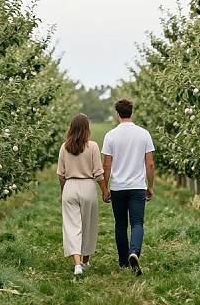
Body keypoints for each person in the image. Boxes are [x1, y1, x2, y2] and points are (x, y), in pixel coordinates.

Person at [101, 98, 155, 276]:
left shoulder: (110, 135)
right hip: (138, 186)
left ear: (117, 115)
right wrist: (151, 186)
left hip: (118, 187)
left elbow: (107, 165)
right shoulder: (144, 134)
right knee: (137, 222)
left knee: (121, 224)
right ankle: (134, 252)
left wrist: (105, 188)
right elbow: (150, 164)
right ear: (132, 112)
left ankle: (123, 261)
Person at [57, 113, 109, 275]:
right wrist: (105, 191)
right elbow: (99, 173)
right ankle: (86, 261)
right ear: (87, 129)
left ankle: (77, 264)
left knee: (72, 226)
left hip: (70, 186)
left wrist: (63, 191)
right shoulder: (92, 146)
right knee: (88, 225)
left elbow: (61, 174)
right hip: (87, 187)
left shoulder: (64, 147)